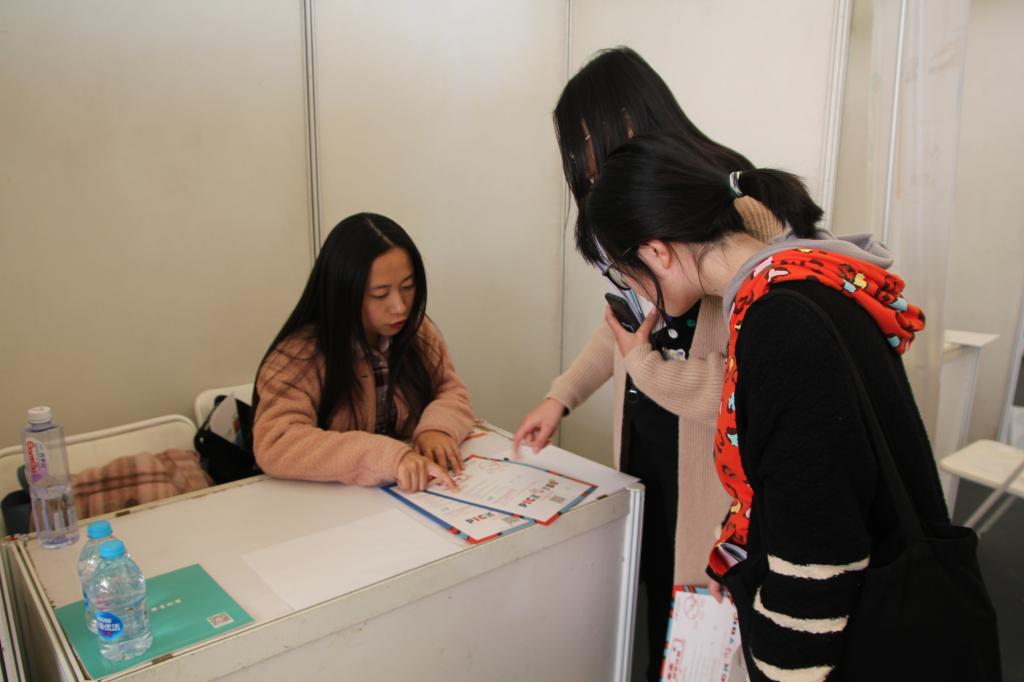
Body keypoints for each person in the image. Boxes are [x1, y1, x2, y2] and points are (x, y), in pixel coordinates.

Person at [581, 131, 966, 680]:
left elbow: (820, 553)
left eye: (625, 272)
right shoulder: (804, 278)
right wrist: (739, 548)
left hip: (858, 633)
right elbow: (800, 472)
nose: (632, 289)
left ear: (657, 252)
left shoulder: (781, 325)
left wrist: (778, 668)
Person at [511, 46, 782, 679]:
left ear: (631, 119)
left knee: (708, 630)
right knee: (662, 602)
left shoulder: (739, 208)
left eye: (585, 144)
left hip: (712, 466)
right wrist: (562, 395)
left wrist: (649, 368)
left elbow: (758, 384)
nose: (583, 165)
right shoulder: (635, 206)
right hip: (652, 444)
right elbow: (626, 328)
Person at [252, 213, 473, 492]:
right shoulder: (300, 354)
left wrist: (437, 428)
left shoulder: (418, 332)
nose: (400, 307)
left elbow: (451, 390)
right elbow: (277, 442)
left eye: (407, 287)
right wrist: (386, 457)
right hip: (331, 503)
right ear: (343, 293)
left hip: (405, 496)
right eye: (380, 294)